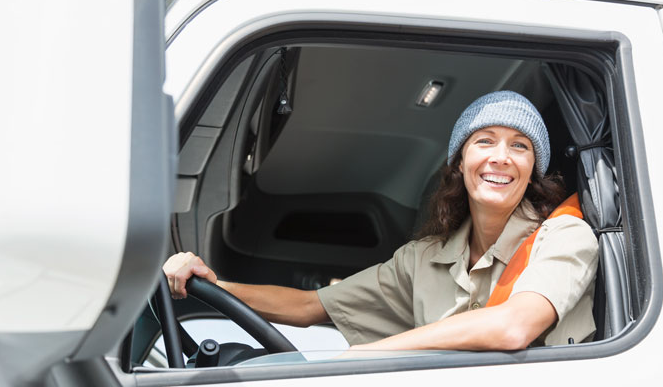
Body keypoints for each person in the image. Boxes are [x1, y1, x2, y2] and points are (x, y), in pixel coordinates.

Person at [163, 91, 598, 351]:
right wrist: (213, 286)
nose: (501, 157)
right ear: (460, 162)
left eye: (520, 146)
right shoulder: (422, 258)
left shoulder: (563, 236)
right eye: (485, 141)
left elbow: (513, 326)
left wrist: (374, 355)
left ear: (533, 168)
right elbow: (310, 306)